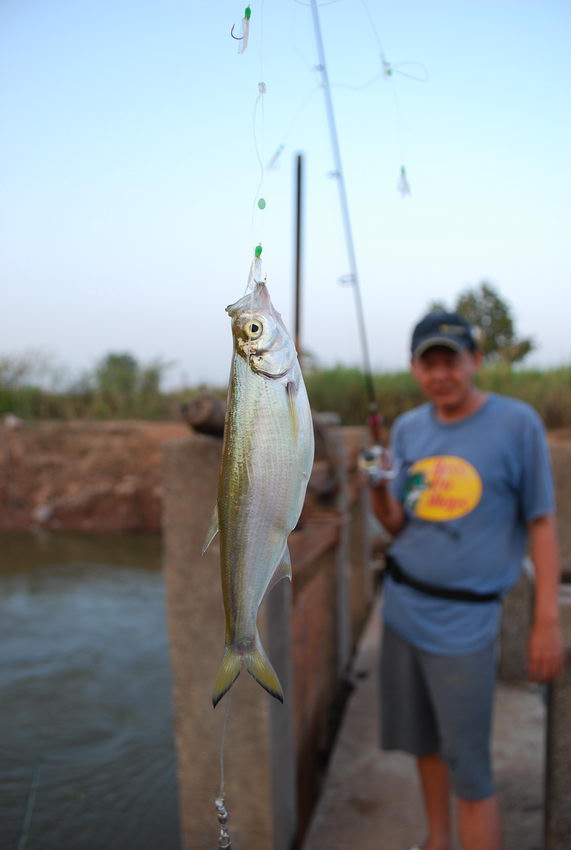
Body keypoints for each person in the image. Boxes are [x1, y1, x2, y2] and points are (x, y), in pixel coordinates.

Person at [368, 311, 563, 850]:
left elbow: (542, 524)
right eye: (427, 363)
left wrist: (546, 621)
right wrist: (378, 489)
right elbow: (395, 523)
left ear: (474, 361)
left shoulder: (517, 423)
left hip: (468, 623)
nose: (440, 374)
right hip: (403, 607)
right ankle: (436, 840)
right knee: (424, 746)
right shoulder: (409, 428)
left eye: (450, 360)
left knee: (470, 768)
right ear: (413, 369)